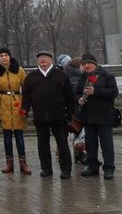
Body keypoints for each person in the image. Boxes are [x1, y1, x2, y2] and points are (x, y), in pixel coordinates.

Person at [22, 51, 74, 179]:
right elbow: (26, 97)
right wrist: (25, 110)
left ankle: (66, 169)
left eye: (46, 58)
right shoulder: (31, 77)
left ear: (51, 60)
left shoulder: (61, 75)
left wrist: (70, 113)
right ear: (37, 61)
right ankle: (46, 168)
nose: (43, 60)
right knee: (42, 144)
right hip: (40, 116)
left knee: (62, 143)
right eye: (40, 58)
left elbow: (70, 97)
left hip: (58, 115)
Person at [0, 48, 31, 175]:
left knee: (19, 135)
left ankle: (23, 163)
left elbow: (27, 88)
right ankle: (9, 162)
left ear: (10, 57)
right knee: (7, 136)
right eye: (1, 55)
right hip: (3, 104)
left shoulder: (19, 70)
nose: (4, 58)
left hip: (17, 103)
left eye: (6, 55)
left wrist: (25, 106)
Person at [76, 53, 119, 179]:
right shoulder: (83, 77)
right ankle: (92, 166)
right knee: (90, 144)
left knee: (107, 144)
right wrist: (78, 99)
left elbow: (114, 92)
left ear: (95, 64)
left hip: (104, 115)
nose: (86, 66)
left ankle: (109, 168)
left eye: (88, 63)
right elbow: (77, 92)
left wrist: (96, 91)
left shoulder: (107, 75)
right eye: (84, 64)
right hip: (88, 116)